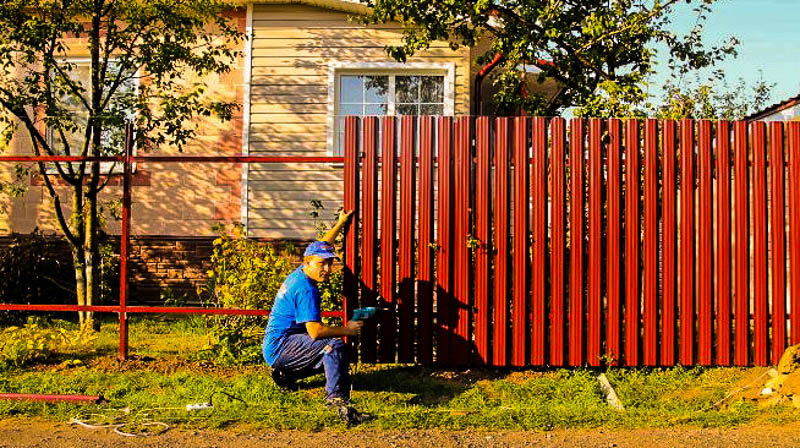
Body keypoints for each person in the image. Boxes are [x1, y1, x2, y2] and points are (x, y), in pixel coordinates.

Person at [262, 209, 370, 426]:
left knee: (334, 357)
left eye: (330, 263)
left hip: (279, 345)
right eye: (323, 264)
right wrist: (347, 330)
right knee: (334, 347)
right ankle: (335, 400)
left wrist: (340, 224)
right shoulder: (306, 290)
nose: (328, 269)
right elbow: (316, 332)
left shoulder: (301, 272)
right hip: (282, 347)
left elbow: (322, 245)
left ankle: (287, 375)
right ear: (308, 262)